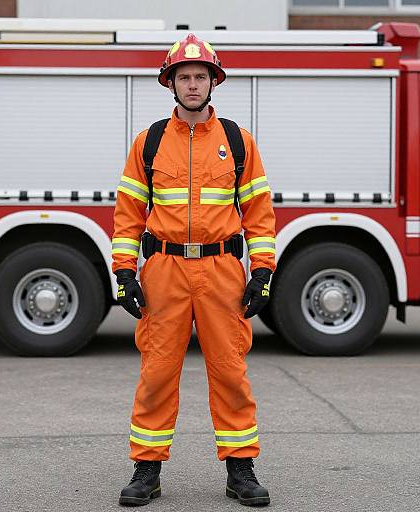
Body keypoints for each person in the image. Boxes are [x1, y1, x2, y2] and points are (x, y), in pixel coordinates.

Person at [111, 33, 276, 507]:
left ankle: (240, 470)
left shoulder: (238, 143)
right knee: (158, 372)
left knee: (229, 371)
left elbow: (259, 214)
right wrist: (125, 272)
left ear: (212, 82)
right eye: (183, 77)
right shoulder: (149, 143)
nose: (192, 84)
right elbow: (128, 214)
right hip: (163, 269)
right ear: (171, 83)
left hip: (222, 269)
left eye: (199, 76)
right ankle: (147, 470)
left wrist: (261, 271)